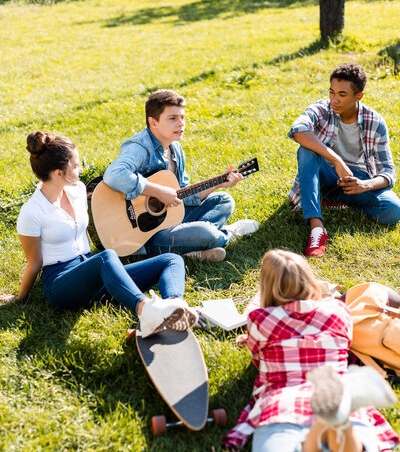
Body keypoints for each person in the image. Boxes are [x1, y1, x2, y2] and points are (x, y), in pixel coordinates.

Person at [223, 249, 398, 452]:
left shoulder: (258, 318)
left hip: (281, 407)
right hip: (338, 394)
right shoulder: (339, 312)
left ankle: (316, 439)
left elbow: (258, 360)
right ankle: (335, 420)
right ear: (310, 279)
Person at [0, 131, 197, 338]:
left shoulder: (77, 190)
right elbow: (34, 263)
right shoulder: (32, 211)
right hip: (61, 284)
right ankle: (146, 311)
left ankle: (175, 309)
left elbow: (83, 235)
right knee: (106, 256)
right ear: (58, 173)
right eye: (75, 166)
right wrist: (20, 298)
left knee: (171, 260)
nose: (81, 169)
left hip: (94, 272)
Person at [103, 89, 259, 262]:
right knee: (205, 233)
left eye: (182, 118)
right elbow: (114, 174)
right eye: (173, 118)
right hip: (145, 236)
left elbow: (182, 194)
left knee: (224, 200)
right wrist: (158, 192)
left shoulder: (175, 148)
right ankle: (226, 233)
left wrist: (219, 183)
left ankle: (190, 247)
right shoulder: (140, 147)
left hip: (170, 219)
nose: (181, 124)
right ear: (153, 122)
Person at [288, 63, 400, 257]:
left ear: (358, 97)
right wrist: (337, 160)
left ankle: (338, 201)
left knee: (393, 210)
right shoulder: (322, 108)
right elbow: (298, 129)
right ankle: (317, 227)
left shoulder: (375, 122)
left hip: (355, 181)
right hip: (326, 175)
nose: (334, 99)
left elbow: (388, 172)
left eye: (342, 94)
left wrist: (365, 185)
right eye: (332, 92)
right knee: (306, 151)